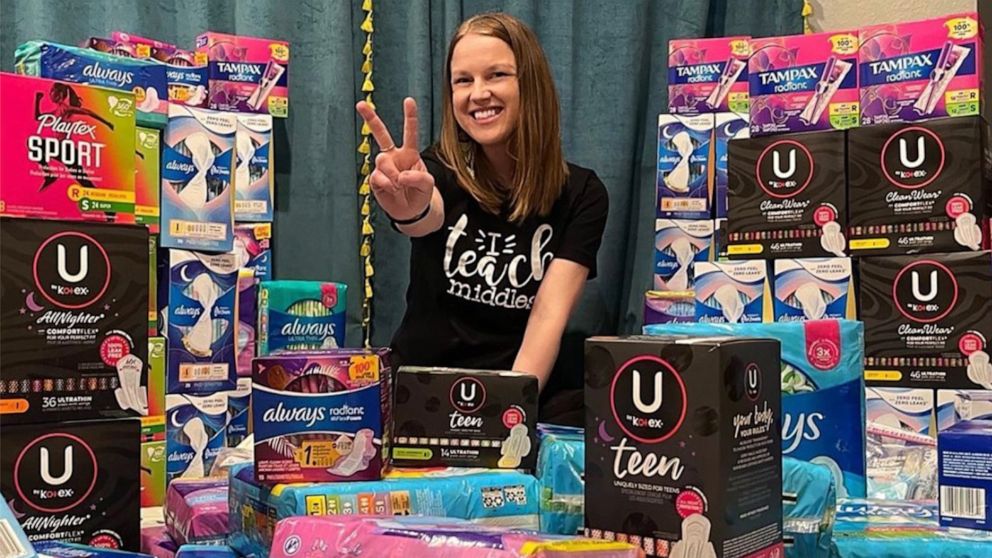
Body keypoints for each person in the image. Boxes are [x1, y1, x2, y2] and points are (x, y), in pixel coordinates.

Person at [356, 12, 608, 421]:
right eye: (463, 80)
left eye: (496, 75)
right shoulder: (432, 171)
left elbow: (548, 315)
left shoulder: (582, 194)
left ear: (530, 83)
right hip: (423, 395)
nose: (478, 94)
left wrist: (505, 416)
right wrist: (410, 209)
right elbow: (426, 214)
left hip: (518, 392)